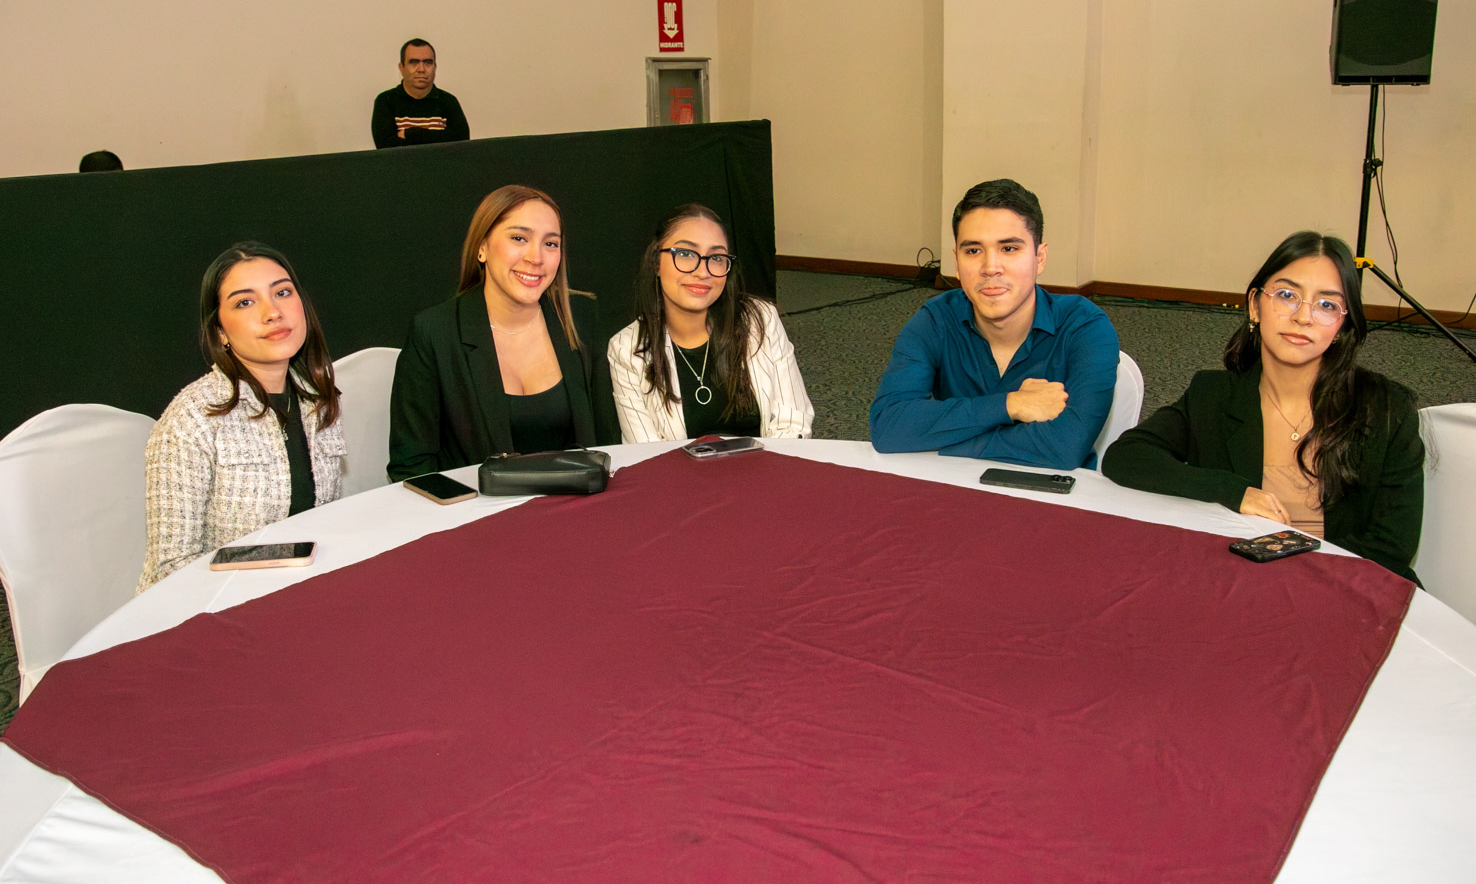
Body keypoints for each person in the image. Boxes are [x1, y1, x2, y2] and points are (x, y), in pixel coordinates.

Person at [1102, 231, 1424, 582]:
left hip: (1346, 587)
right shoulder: (1214, 394)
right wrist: (1231, 490)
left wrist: (1291, 574)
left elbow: (1392, 547)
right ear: (1255, 305)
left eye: (1326, 305)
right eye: (1287, 295)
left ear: (1342, 325)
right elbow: (1126, 456)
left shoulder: (1386, 409)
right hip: (1238, 583)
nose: (1303, 317)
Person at [869, 178, 1119, 469]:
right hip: (953, 487)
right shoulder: (935, 320)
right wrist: (1011, 404)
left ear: (1039, 258)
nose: (990, 268)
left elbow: (1064, 447)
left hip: (1048, 491)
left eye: (1009, 249)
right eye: (973, 251)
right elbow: (888, 426)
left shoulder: (1085, 327)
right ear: (956, 262)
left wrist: (940, 441)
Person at [140, 243, 344, 591]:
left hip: (302, 589)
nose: (272, 312)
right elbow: (170, 570)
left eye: (282, 293)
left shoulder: (317, 398)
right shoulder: (191, 419)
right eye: (245, 302)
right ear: (220, 331)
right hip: (217, 604)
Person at [387, 185, 620, 480]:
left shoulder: (581, 317)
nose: (536, 257)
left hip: (576, 503)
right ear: (482, 247)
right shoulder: (434, 332)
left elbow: (608, 443)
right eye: (519, 238)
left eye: (550, 243)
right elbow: (411, 465)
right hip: (475, 506)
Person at [608, 204, 814, 441]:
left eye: (716, 258)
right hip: (677, 467)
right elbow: (645, 450)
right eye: (685, 254)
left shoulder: (761, 319)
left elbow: (794, 422)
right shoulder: (626, 349)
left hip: (766, 463)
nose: (703, 272)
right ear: (656, 262)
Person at [370, 38, 470, 149]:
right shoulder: (386, 101)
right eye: (414, 62)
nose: (421, 69)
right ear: (401, 68)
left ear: (435, 67)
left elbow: (462, 145)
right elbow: (385, 147)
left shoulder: (448, 101)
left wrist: (410, 134)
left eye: (428, 63)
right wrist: (440, 138)